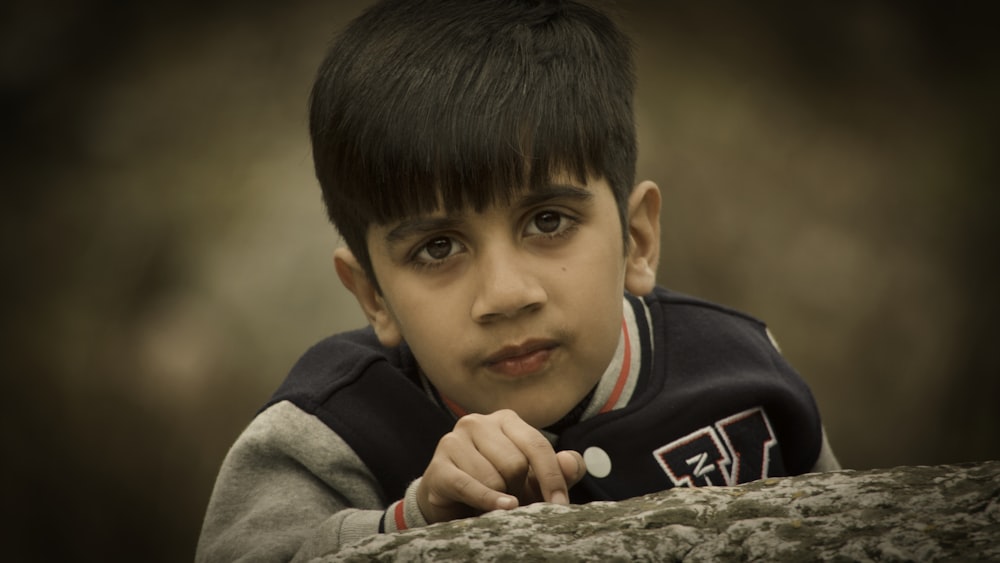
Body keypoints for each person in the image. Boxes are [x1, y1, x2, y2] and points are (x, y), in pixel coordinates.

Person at [196, 0, 840, 559]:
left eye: (548, 220)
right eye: (438, 246)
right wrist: (413, 523)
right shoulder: (326, 431)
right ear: (372, 294)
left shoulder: (742, 374)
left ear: (636, 239)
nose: (505, 295)